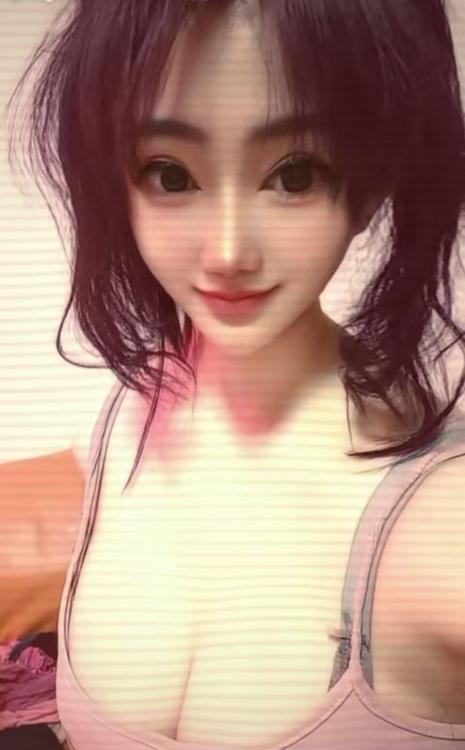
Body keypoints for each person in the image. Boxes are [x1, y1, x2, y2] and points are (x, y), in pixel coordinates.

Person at [7, 0, 465, 747]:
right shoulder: (126, 417)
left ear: (375, 174)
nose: (226, 251)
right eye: (170, 174)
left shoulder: (442, 529)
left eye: (294, 174)